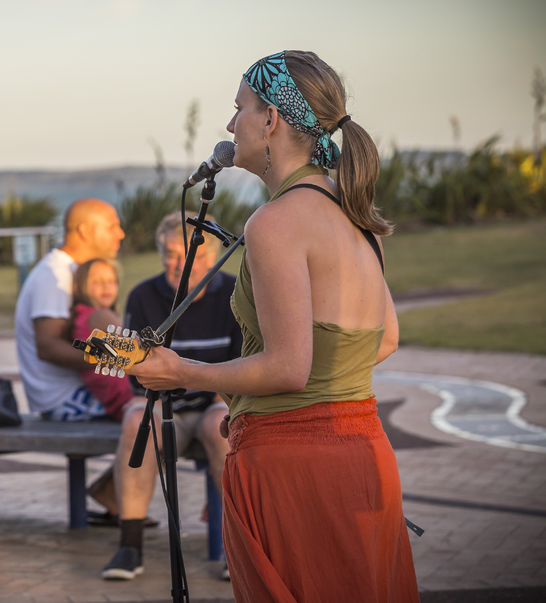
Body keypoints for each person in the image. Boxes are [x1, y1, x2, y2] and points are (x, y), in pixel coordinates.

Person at [131, 51, 418, 601]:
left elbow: (288, 368)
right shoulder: (357, 212)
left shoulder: (277, 222)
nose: (230, 124)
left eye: (238, 108)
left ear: (271, 120)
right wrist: (252, 403)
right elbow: (384, 340)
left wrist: (184, 371)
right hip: (365, 453)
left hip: (296, 466)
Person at [101, 211, 242, 581]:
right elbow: (133, 367)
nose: (179, 264)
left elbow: (244, 363)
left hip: (217, 402)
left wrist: (219, 397)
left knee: (219, 427)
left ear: (211, 256)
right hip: (164, 404)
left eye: (190, 255)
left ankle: (239, 549)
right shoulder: (144, 295)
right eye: (171, 255)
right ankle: (130, 546)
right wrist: (150, 386)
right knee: (136, 421)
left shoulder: (235, 292)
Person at [14, 198, 125, 421]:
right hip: (65, 398)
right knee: (149, 415)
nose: (120, 234)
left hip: (81, 387)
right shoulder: (54, 275)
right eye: (112, 226)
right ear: (84, 231)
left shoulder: (73, 270)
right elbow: (47, 347)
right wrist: (116, 356)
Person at [67, 258, 135, 422]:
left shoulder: (80, 318)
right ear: (78, 288)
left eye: (111, 281)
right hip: (130, 397)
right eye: (97, 281)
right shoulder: (99, 316)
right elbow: (139, 347)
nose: (106, 286)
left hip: (115, 403)